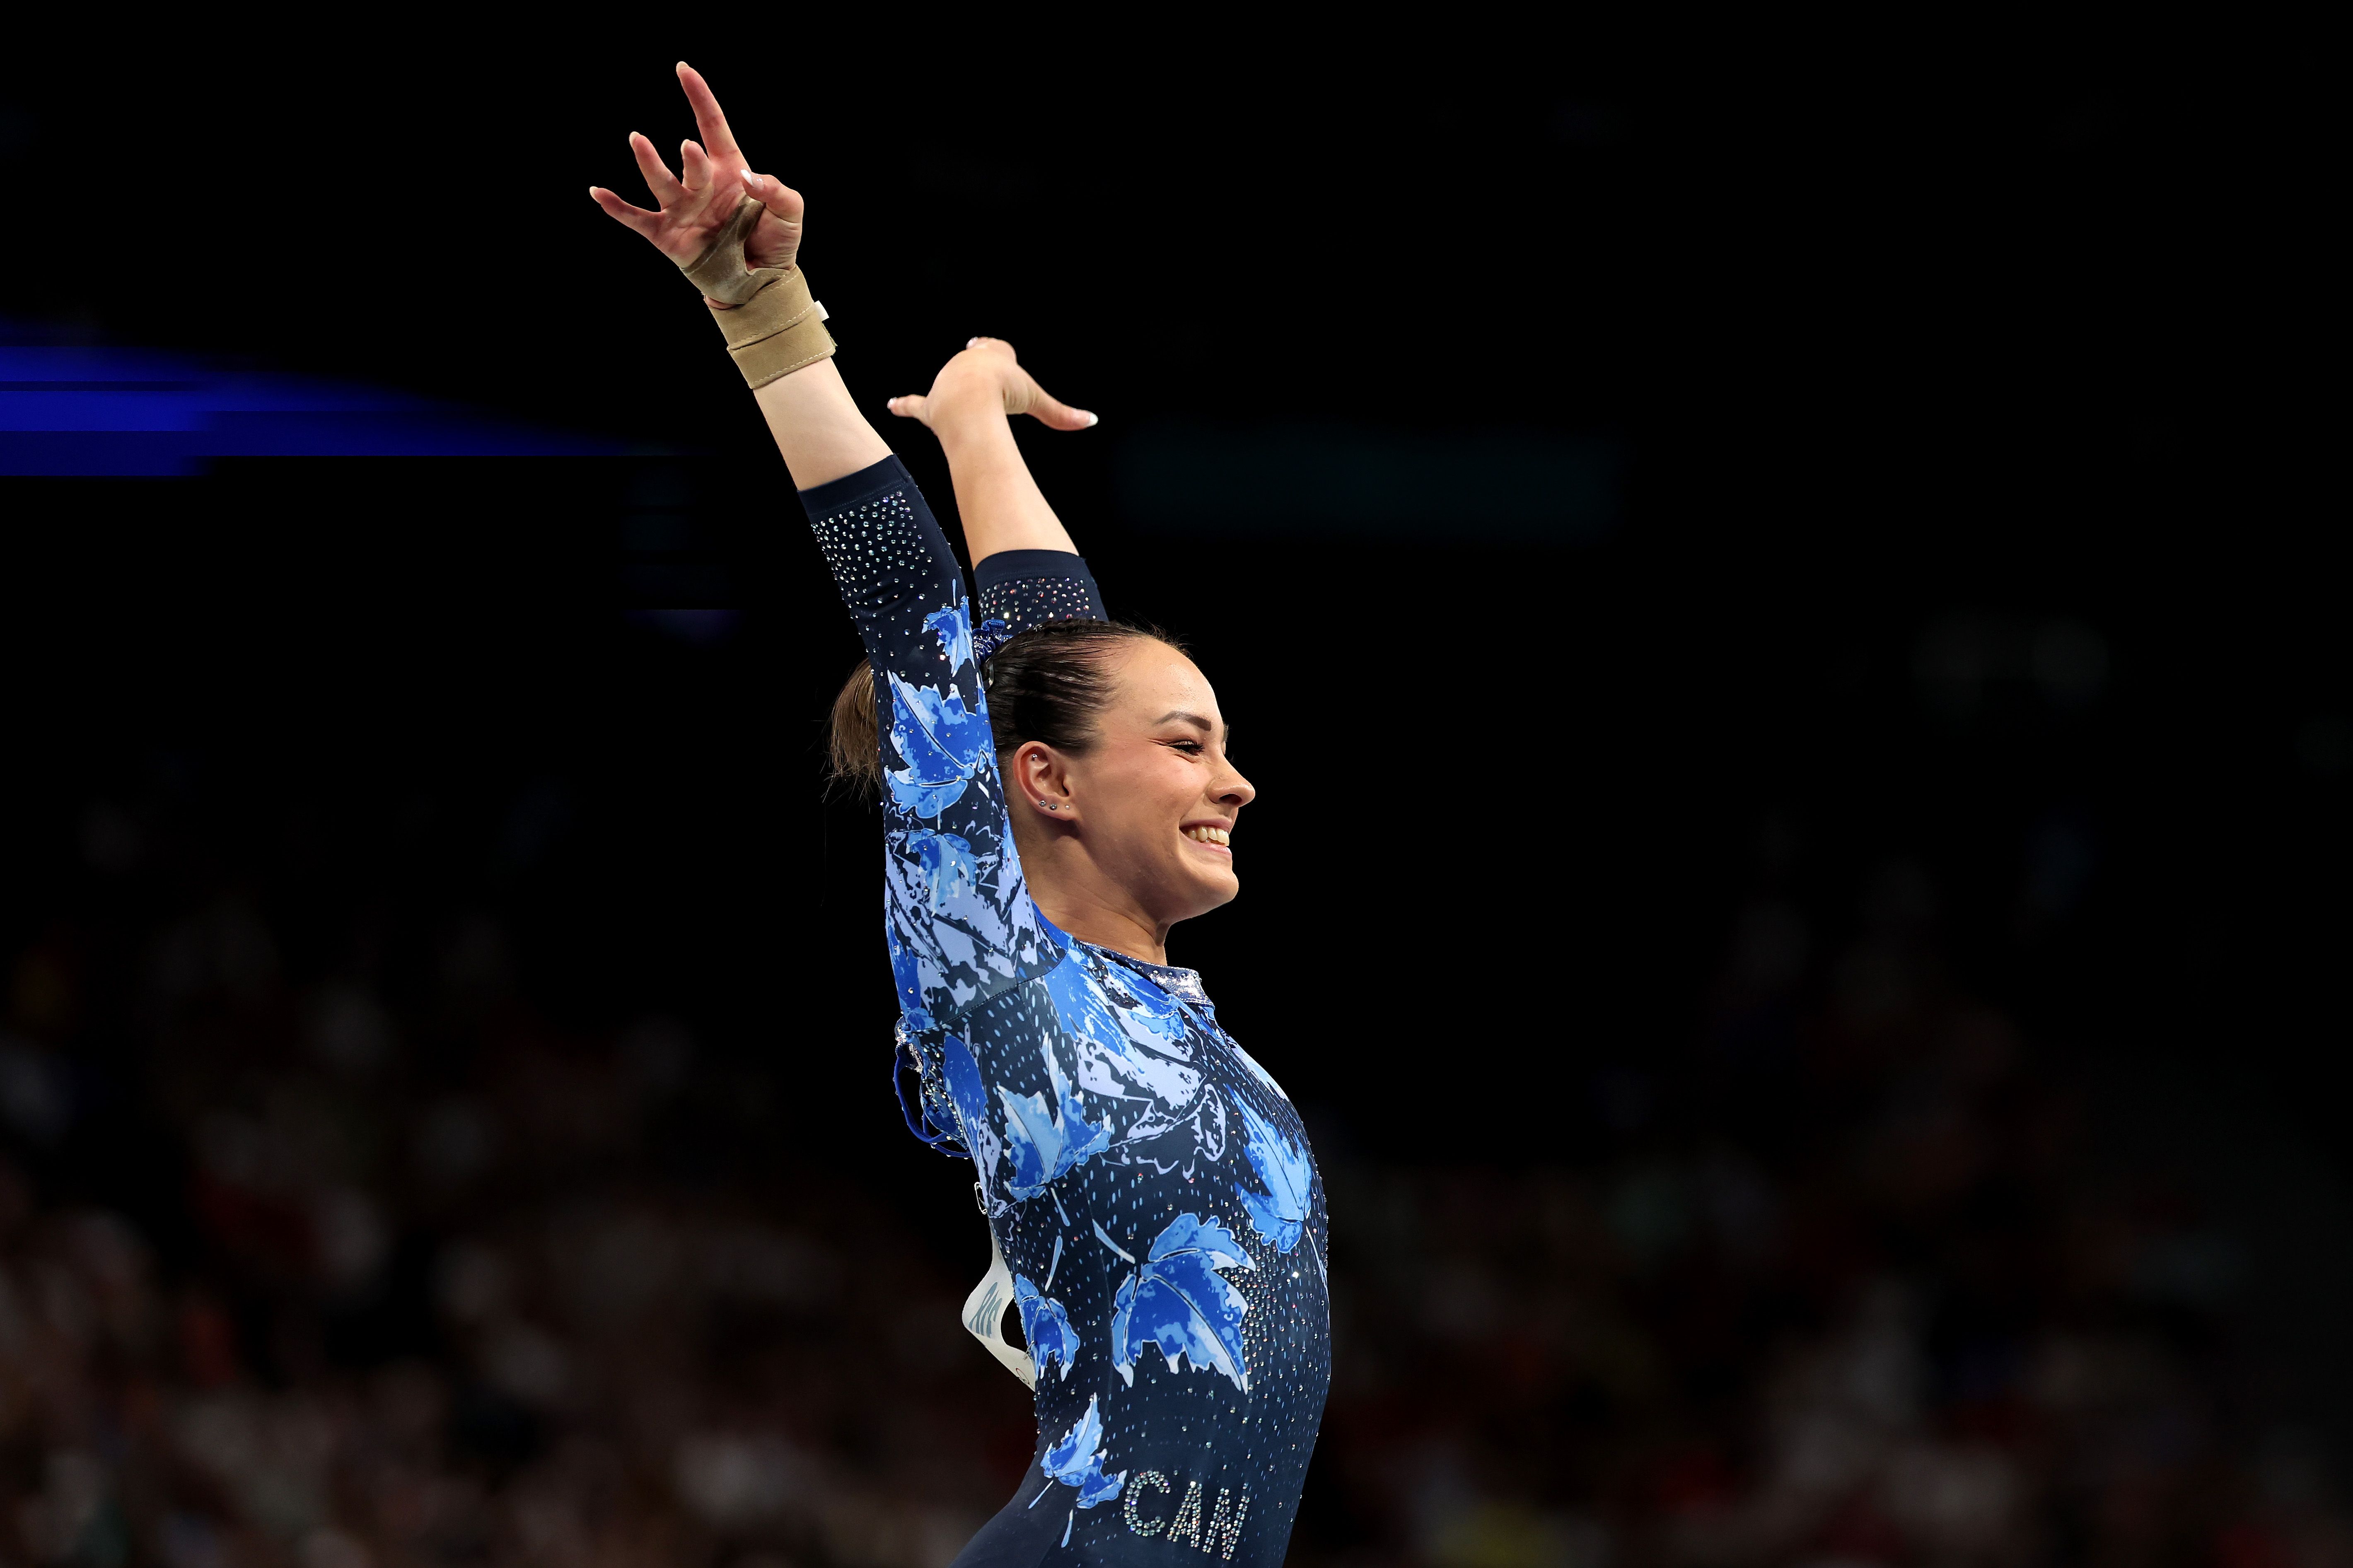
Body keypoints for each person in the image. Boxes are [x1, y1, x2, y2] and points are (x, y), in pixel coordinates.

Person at [591, 64, 1329, 1568]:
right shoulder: (992, 967)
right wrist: (766, 316)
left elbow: (1060, 670)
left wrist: (983, 423)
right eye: (1192, 747)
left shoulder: (1147, 1003)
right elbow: (932, 631)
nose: (1234, 780)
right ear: (1044, 789)